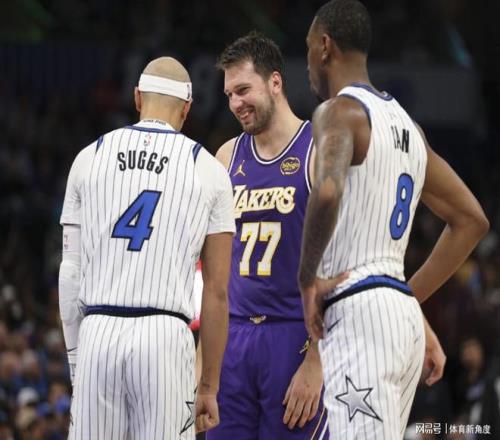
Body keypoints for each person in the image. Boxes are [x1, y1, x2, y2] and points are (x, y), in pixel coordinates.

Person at [298, 1, 490, 439]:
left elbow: (327, 191)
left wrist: (307, 279)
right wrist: (407, 297)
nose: (307, 61)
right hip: (399, 319)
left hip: (359, 311)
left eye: (308, 47)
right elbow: (472, 220)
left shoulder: (337, 112)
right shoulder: (409, 128)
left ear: (324, 46)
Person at [58, 56, 235, 439]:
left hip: (98, 331)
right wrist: (208, 385)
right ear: (187, 108)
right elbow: (218, 292)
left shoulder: (88, 158)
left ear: (137, 97)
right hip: (165, 337)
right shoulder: (210, 170)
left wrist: (76, 359)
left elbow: (69, 274)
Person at [204, 31, 339, 440]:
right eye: (229, 94)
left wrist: (317, 361)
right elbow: (213, 271)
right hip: (233, 337)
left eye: (243, 90)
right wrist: (203, 364)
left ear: (275, 82)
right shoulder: (226, 157)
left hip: (294, 334)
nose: (235, 103)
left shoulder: (317, 149)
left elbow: (340, 260)